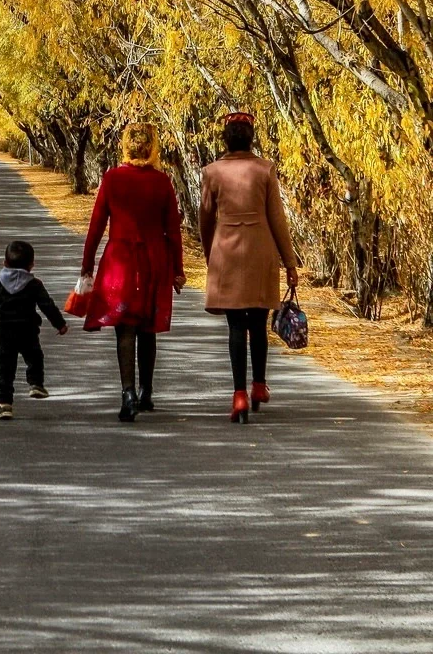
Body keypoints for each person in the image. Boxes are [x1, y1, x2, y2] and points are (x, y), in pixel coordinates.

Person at [80, 122, 185, 422]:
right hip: (154, 260)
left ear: (126, 146)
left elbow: (96, 225)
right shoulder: (162, 182)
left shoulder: (112, 178)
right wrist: (177, 269)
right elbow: (173, 231)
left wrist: (87, 265)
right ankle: (146, 391)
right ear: (152, 147)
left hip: (120, 261)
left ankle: (128, 394)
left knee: (125, 328)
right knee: (147, 327)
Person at [199, 112, 299, 423]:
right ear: (251, 138)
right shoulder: (265, 169)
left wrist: (210, 254)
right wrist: (290, 263)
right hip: (260, 251)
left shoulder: (212, 172)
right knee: (257, 323)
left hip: (226, 252)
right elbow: (277, 219)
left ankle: (239, 395)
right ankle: (259, 385)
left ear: (226, 138)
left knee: (235, 326)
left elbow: (205, 220)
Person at [0, 239, 68, 420]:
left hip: (4, 332)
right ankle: (36, 383)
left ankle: (5, 405)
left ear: (4, 263)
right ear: (32, 265)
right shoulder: (34, 284)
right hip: (28, 331)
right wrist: (60, 324)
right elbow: (47, 306)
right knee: (35, 357)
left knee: (5, 368)